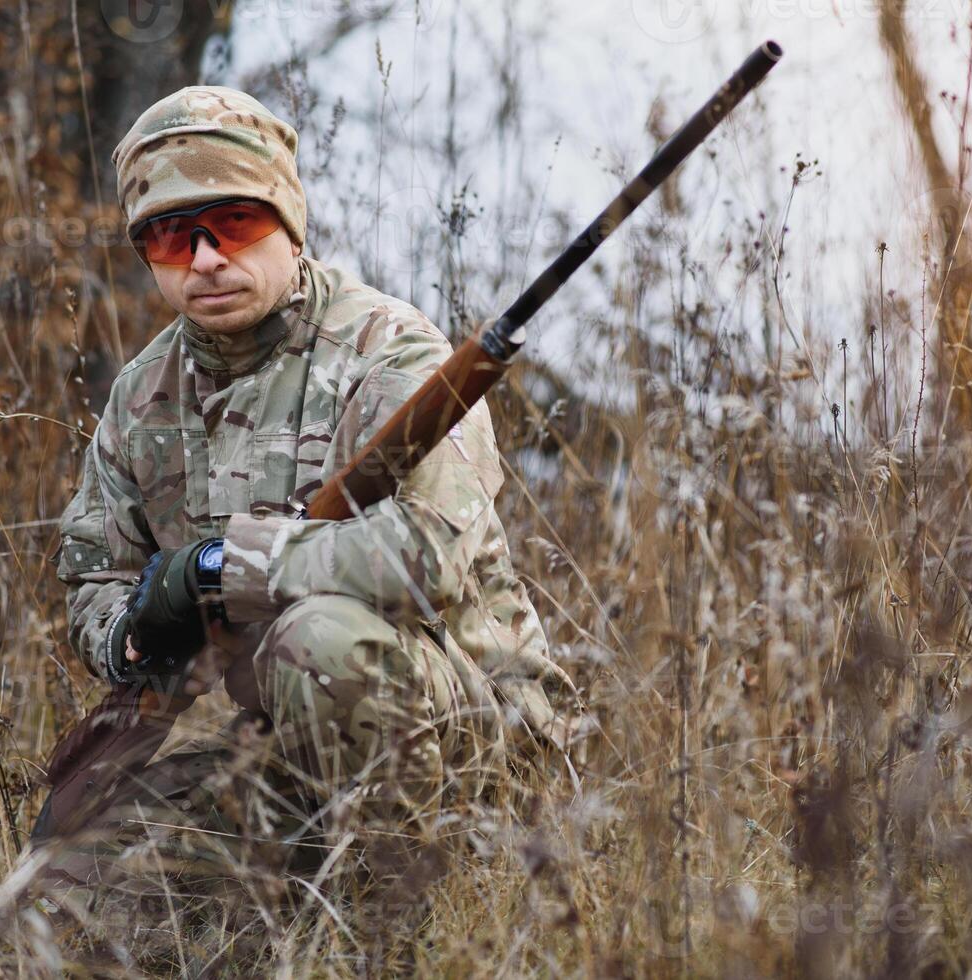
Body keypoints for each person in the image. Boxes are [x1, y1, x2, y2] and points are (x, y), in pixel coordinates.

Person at [39, 86, 574, 946]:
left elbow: (425, 558)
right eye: (174, 236)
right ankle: (294, 917)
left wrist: (221, 569)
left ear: (290, 223)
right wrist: (139, 629)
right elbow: (93, 576)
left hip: (479, 745)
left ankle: (406, 930)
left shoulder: (394, 354)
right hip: (282, 754)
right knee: (74, 887)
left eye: (237, 223)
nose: (207, 259)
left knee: (317, 639)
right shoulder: (142, 396)